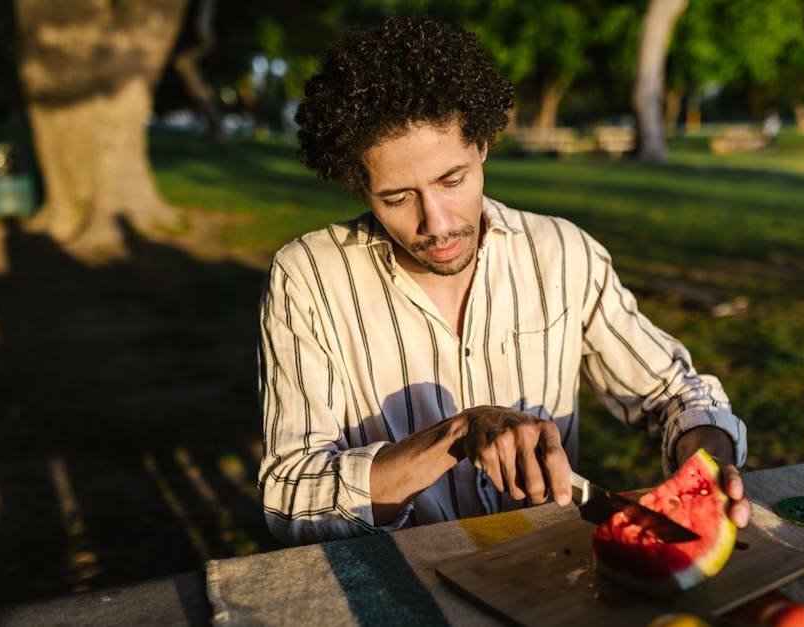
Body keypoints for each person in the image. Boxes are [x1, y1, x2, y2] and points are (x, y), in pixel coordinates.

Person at [258, 16, 751, 547]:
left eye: (453, 180)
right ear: (357, 183)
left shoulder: (563, 253)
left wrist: (708, 469)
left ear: (484, 146)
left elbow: (676, 391)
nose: (438, 222)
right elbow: (290, 497)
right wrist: (455, 436)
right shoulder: (308, 279)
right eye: (397, 198)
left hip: (544, 569)